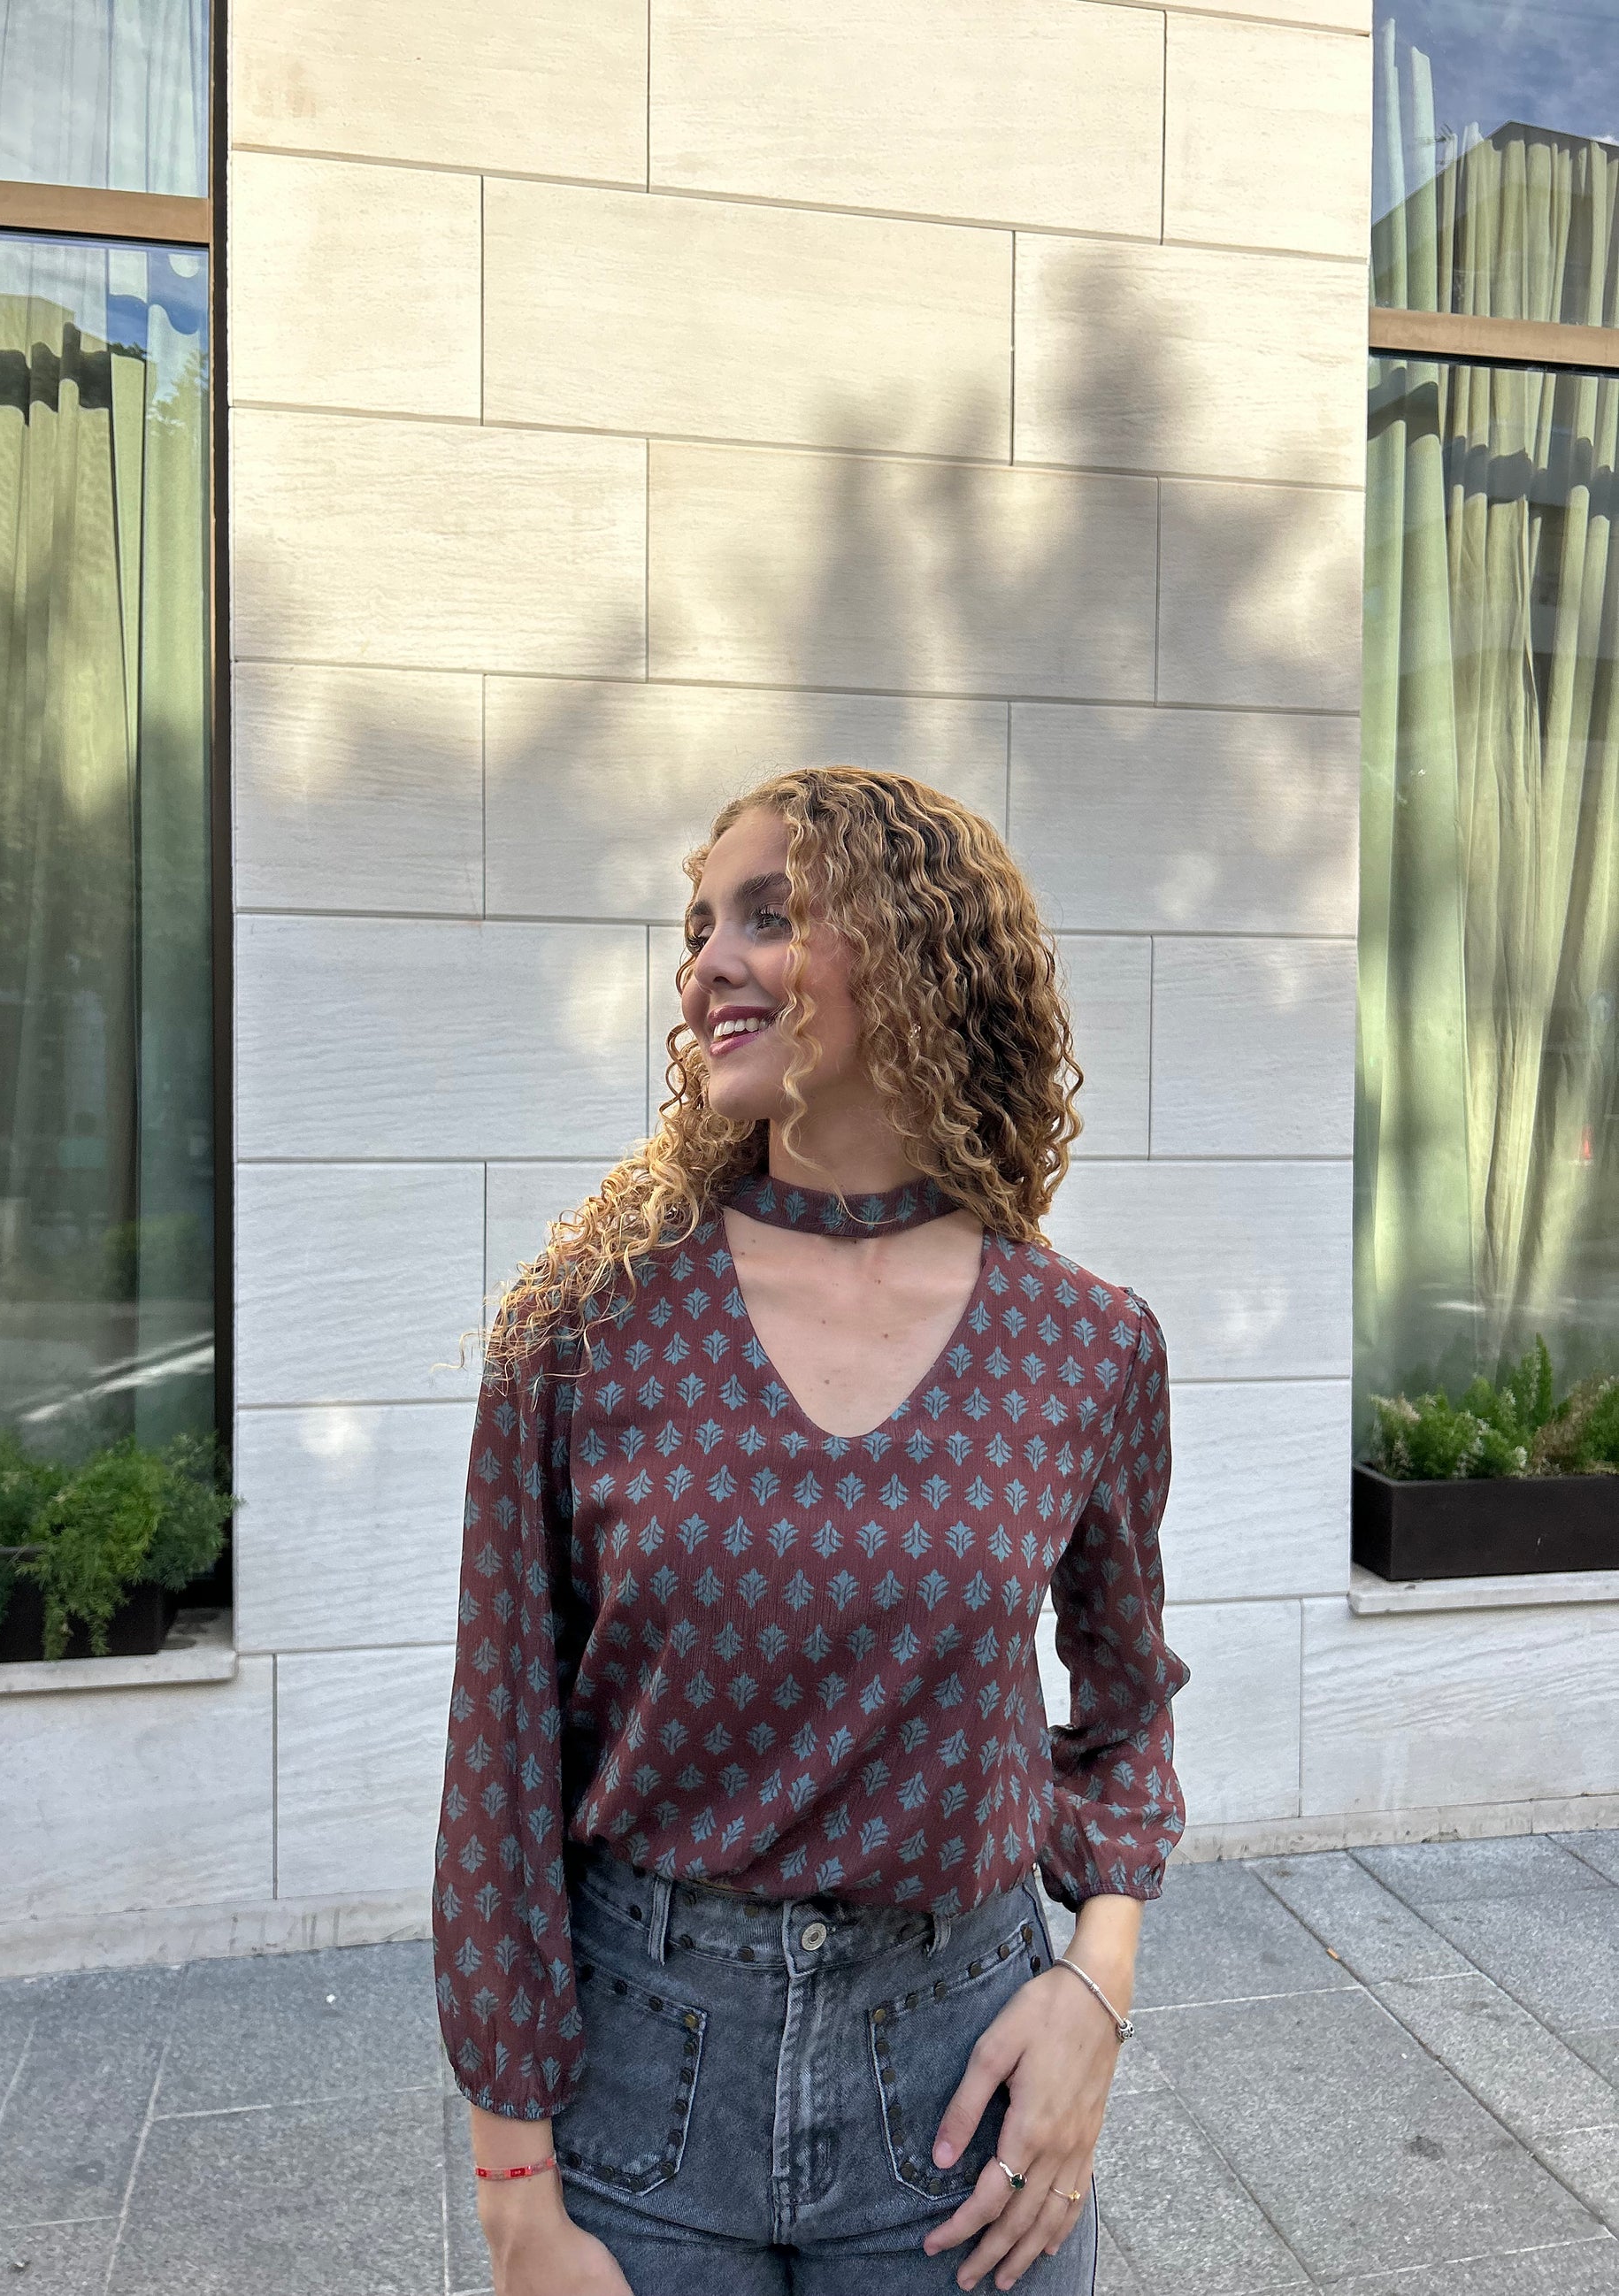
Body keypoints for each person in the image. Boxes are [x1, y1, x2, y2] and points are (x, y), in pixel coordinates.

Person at [434, 768, 1187, 2296]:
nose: (704, 965)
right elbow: (500, 1763)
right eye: (698, 928)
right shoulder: (586, 1327)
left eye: (767, 917)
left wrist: (1094, 1993)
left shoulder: (1083, 1344)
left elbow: (1124, 1718)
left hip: (966, 2081)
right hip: (641, 2089)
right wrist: (513, 2192)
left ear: (916, 954)